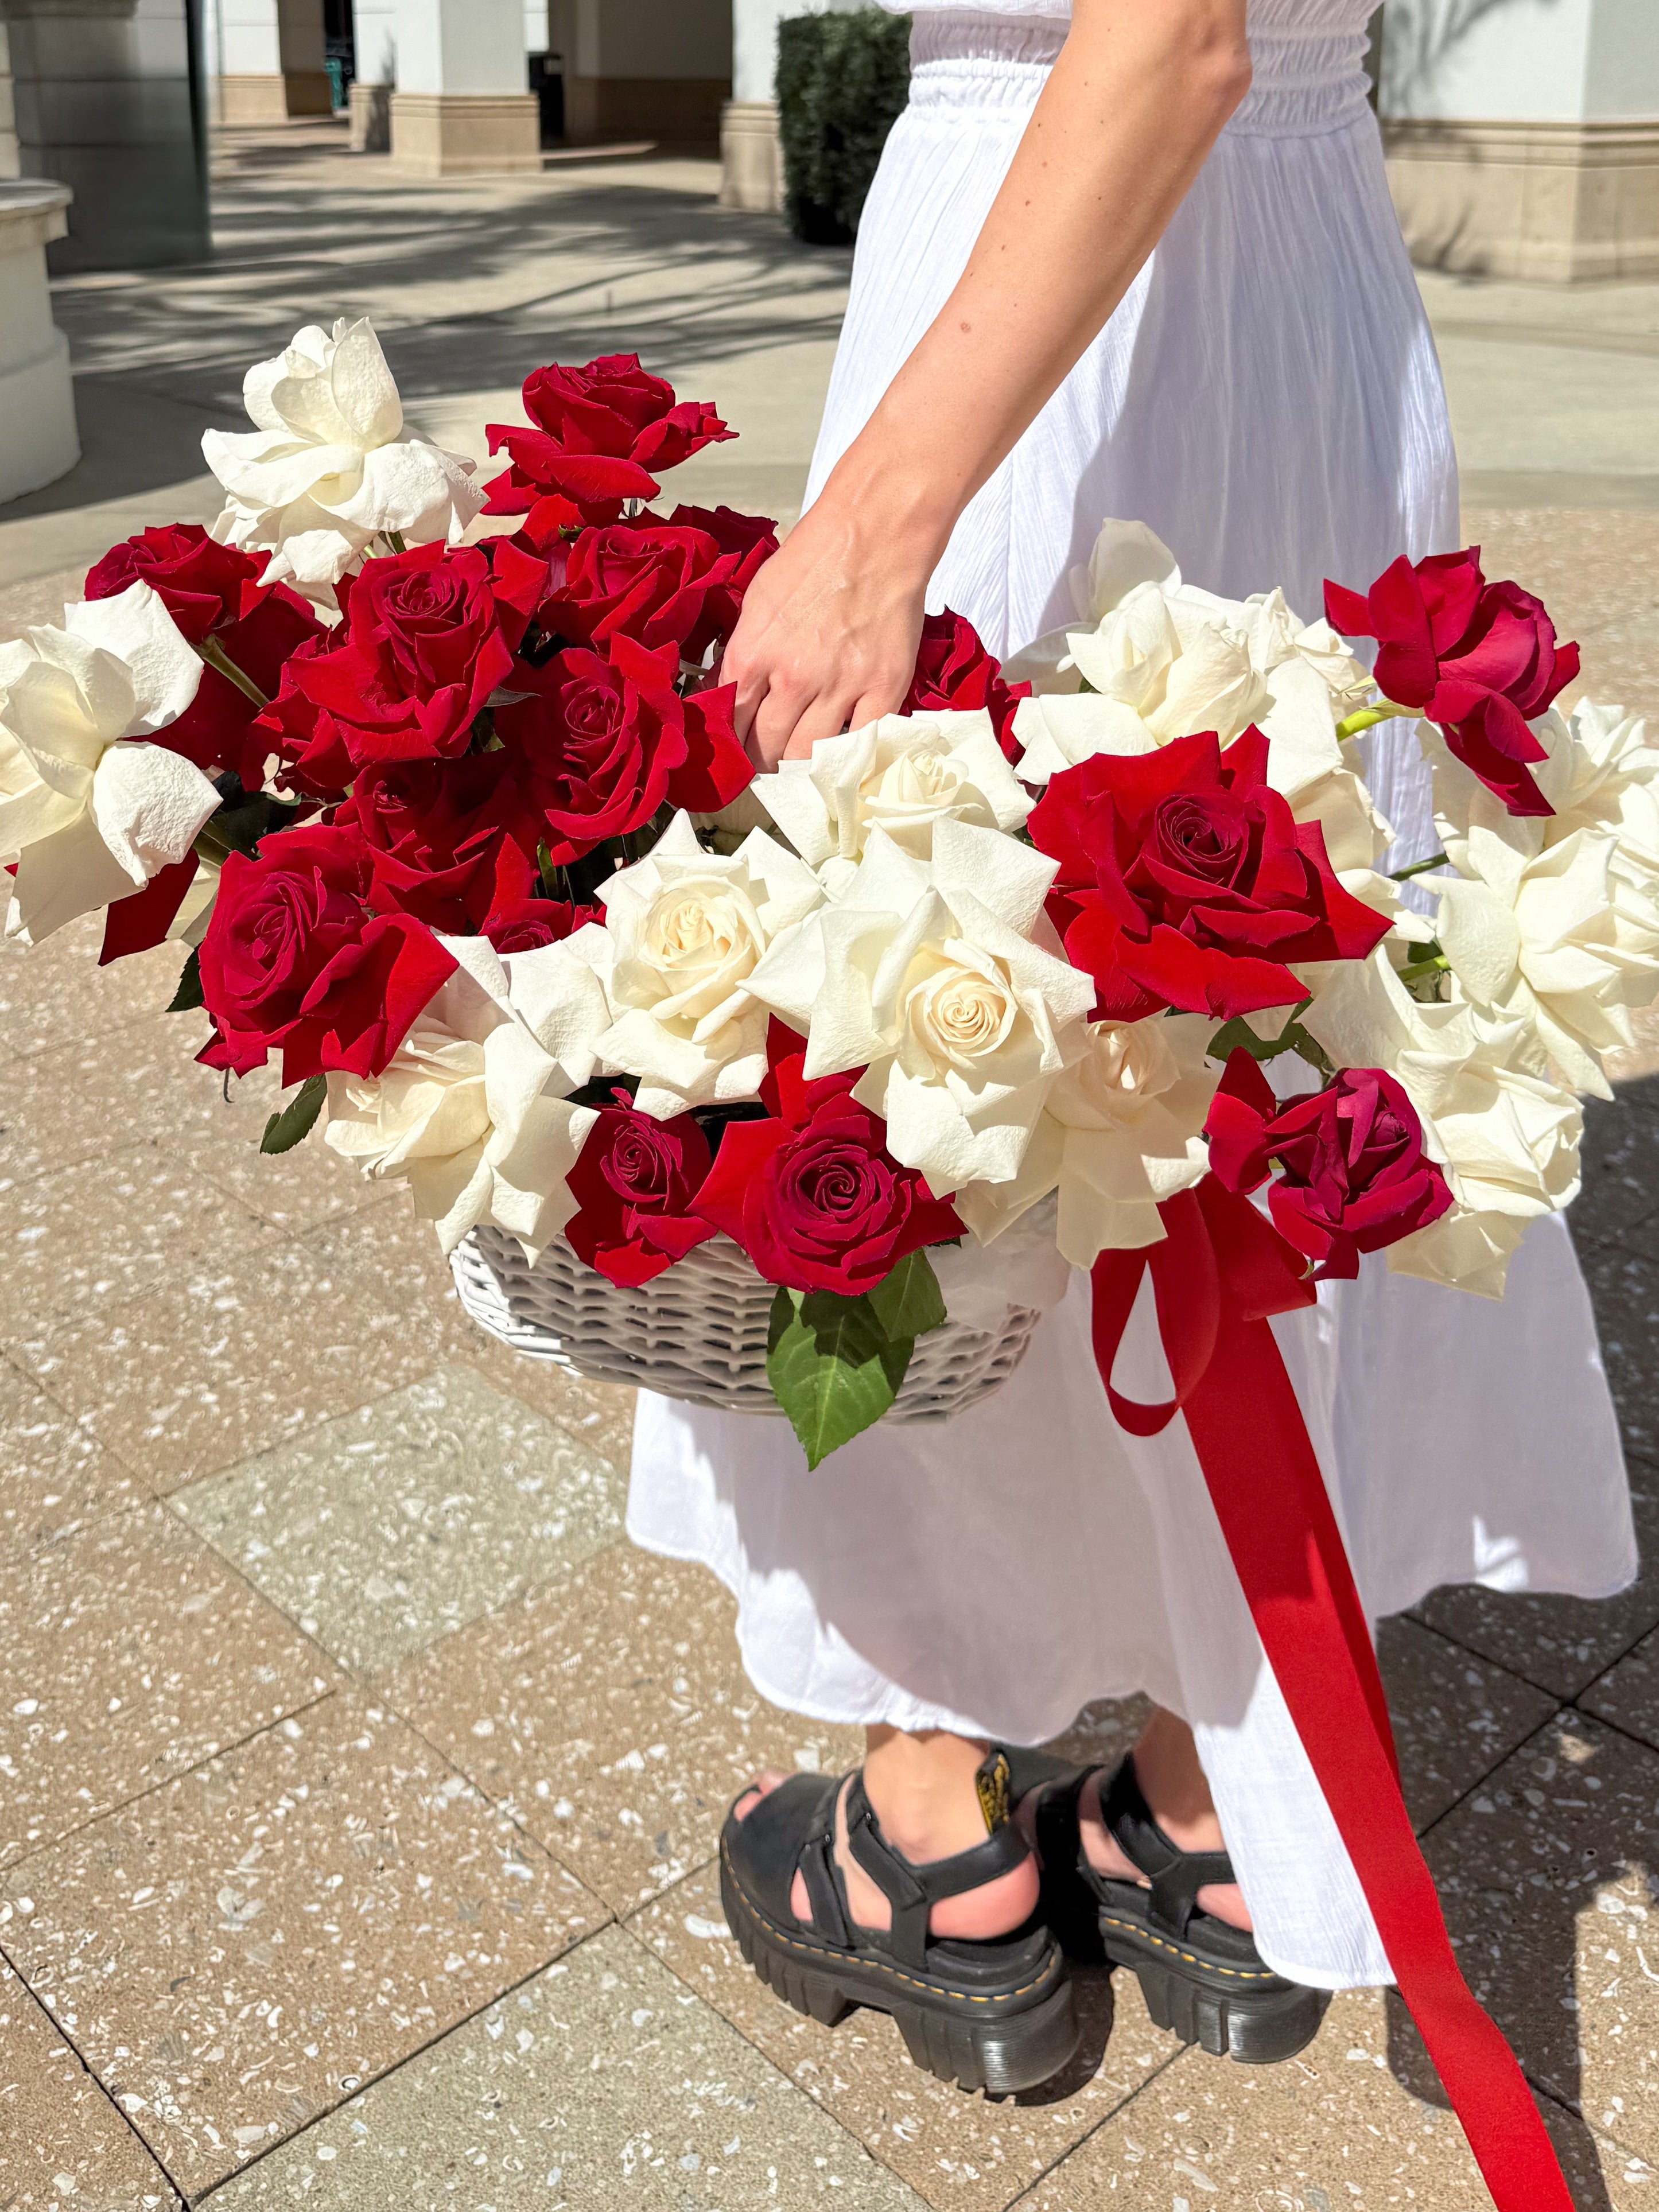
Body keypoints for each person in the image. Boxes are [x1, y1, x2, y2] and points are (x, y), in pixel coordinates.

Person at [626, 0, 1637, 2090]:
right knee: (1251, 1026)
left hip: (1061, 302)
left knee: (956, 1017)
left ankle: (933, 1839)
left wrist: (874, 527)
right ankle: (1205, 1821)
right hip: (1283, 280)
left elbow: (1166, 28)